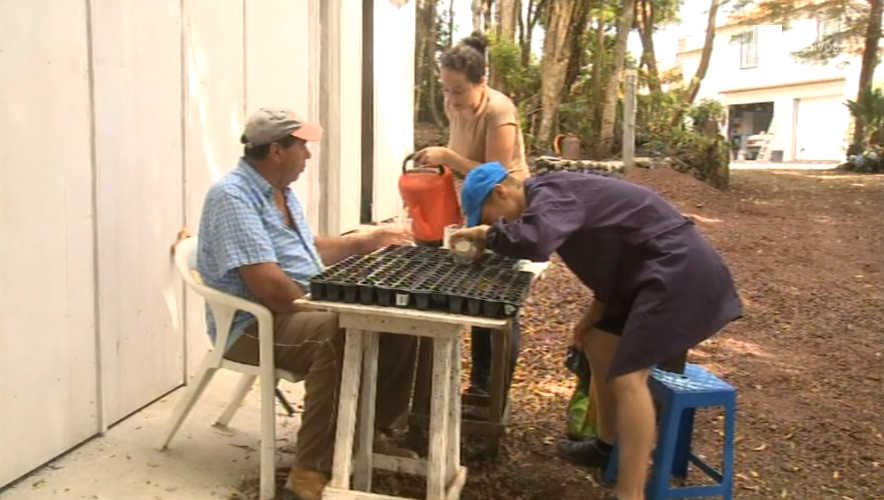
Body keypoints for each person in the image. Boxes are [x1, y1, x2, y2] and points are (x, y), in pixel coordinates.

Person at [449, 162, 743, 500]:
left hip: (678, 272)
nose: (494, 224)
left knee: (629, 377)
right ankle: (606, 446)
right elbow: (611, 256)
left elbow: (536, 241)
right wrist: (593, 314)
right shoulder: (555, 197)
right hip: (647, 273)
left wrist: (489, 236)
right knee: (598, 342)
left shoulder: (551, 192)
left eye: (490, 216)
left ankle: (630, 493)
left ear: (500, 191)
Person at [195, 107, 418, 500]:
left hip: (295, 309)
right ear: (277, 151)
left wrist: (363, 241)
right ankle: (307, 473)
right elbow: (271, 288)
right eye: (303, 147)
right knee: (339, 332)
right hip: (252, 324)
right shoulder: (232, 196)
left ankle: (371, 431)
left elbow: (306, 248)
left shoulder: (281, 192)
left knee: (401, 317)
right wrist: (340, 308)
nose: (309, 156)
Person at [414, 31, 528, 397]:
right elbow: (459, 158)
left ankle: (493, 392)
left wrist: (447, 157)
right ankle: (473, 385)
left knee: (498, 296)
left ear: (483, 82)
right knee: (471, 286)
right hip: (473, 202)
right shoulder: (455, 105)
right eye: (445, 90)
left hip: (505, 205)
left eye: (458, 91)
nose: (450, 99)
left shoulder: (500, 111)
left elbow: (496, 172)